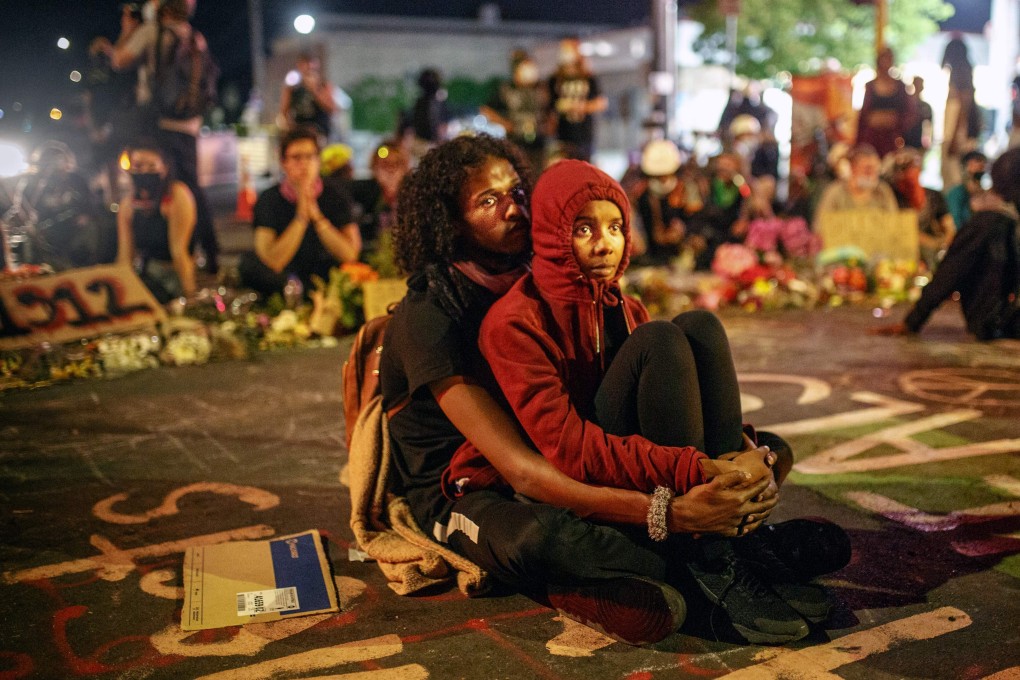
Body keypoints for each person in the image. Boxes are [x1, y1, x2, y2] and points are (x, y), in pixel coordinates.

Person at [380, 135, 848, 647]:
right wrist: (670, 512)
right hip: (473, 485)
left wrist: (741, 456)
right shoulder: (433, 315)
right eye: (487, 202)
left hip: (557, 448)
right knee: (544, 537)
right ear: (449, 220)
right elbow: (520, 468)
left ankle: (721, 549)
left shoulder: (557, 277)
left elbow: (603, 407)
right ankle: (676, 569)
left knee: (764, 448)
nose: (513, 209)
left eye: (516, 192)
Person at [99, 0, 220, 275]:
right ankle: (209, 253)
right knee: (191, 190)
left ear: (162, 8)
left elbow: (119, 60)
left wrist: (127, 31)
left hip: (160, 122)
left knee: (156, 188)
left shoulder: (152, 31)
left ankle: (162, 256)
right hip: (188, 124)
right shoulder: (194, 36)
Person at [871, 147, 1020, 340]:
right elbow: (951, 271)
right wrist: (913, 321)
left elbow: (951, 270)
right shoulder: (990, 222)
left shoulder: (997, 220)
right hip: (997, 320)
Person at [237, 127, 361, 300]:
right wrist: (301, 217)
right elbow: (273, 260)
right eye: (296, 157)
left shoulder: (336, 195)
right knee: (249, 265)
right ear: (283, 163)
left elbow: (350, 254)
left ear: (318, 161)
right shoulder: (269, 199)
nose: (304, 164)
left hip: (327, 275)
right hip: (285, 279)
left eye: (310, 156)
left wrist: (317, 217)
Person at [116, 140, 196, 302]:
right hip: (146, 273)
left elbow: (179, 252)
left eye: (151, 167)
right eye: (138, 166)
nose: (144, 172)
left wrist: (190, 296)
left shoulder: (176, 196)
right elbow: (125, 255)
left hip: (171, 276)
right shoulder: (128, 205)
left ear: (165, 168)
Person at [885, 148, 955, 270]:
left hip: (935, 252)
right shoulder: (893, 198)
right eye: (903, 169)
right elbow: (903, 231)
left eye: (912, 167)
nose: (909, 173)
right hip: (906, 253)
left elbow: (948, 225)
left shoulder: (934, 195)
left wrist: (944, 241)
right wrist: (934, 243)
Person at [480, 51, 548, 173]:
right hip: (515, 142)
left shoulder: (542, 89)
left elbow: (552, 110)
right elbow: (486, 109)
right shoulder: (506, 89)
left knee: (537, 174)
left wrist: (549, 125)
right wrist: (505, 124)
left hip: (538, 144)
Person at [348, 139, 409, 270]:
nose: (391, 170)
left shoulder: (415, 195)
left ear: (405, 168)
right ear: (374, 168)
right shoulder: (362, 193)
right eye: (385, 164)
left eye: (396, 164)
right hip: (370, 264)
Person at [546, 38, 607, 162]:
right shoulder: (554, 79)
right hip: (563, 137)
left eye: (568, 49)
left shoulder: (588, 77)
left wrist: (579, 107)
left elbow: (601, 103)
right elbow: (550, 107)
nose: (565, 53)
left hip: (584, 136)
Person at [813, 144, 898, 232]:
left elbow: (894, 223)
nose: (871, 173)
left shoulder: (882, 191)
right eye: (867, 168)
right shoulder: (836, 192)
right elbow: (820, 227)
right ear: (853, 168)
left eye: (875, 168)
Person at [855, 47, 916, 160]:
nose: (885, 62)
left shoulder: (901, 87)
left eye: (888, 59)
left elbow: (909, 113)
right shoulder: (870, 86)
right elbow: (864, 115)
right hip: (872, 138)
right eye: (883, 59)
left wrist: (894, 121)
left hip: (893, 139)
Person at [941, 36, 981, 190]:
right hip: (957, 132)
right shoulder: (962, 70)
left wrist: (955, 137)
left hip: (957, 134)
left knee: (955, 178)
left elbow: (964, 106)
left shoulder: (961, 71)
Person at [278, 53, 337, 143]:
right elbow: (284, 111)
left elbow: (332, 109)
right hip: (300, 132)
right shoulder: (294, 87)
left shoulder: (323, 85)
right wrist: (287, 90)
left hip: (320, 132)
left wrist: (314, 91)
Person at [945, 151, 994, 233]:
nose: (981, 165)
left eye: (983, 161)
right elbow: (955, 220)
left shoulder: (984, 193)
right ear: (966, 166)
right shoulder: (957, 192)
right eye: (977, 161)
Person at [902, 76, 933, 153]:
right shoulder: (906, 105)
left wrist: (927, 143)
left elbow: (929, 126)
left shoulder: (926, 107)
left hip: (919, 144)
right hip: (905, 143)